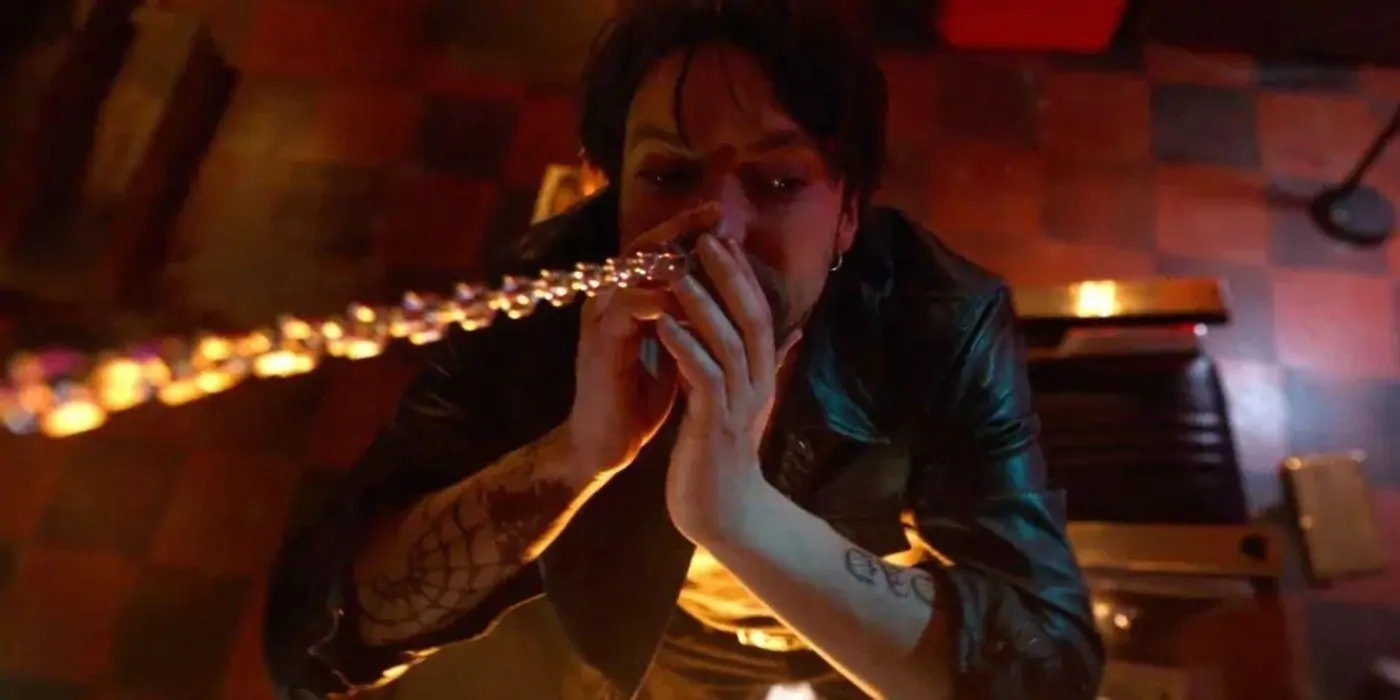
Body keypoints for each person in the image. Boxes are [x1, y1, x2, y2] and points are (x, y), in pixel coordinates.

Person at [263, 1, 1103, 698]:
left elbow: (1049, 666)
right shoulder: (542, 300)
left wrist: (738, 512)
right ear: (611, 192)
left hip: (857, 650)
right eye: (669, 176)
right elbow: (313, 642)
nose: (717, 231)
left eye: (778, 183)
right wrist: (579, 452)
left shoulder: (942, 321)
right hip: (656, 649)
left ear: (848, 214)